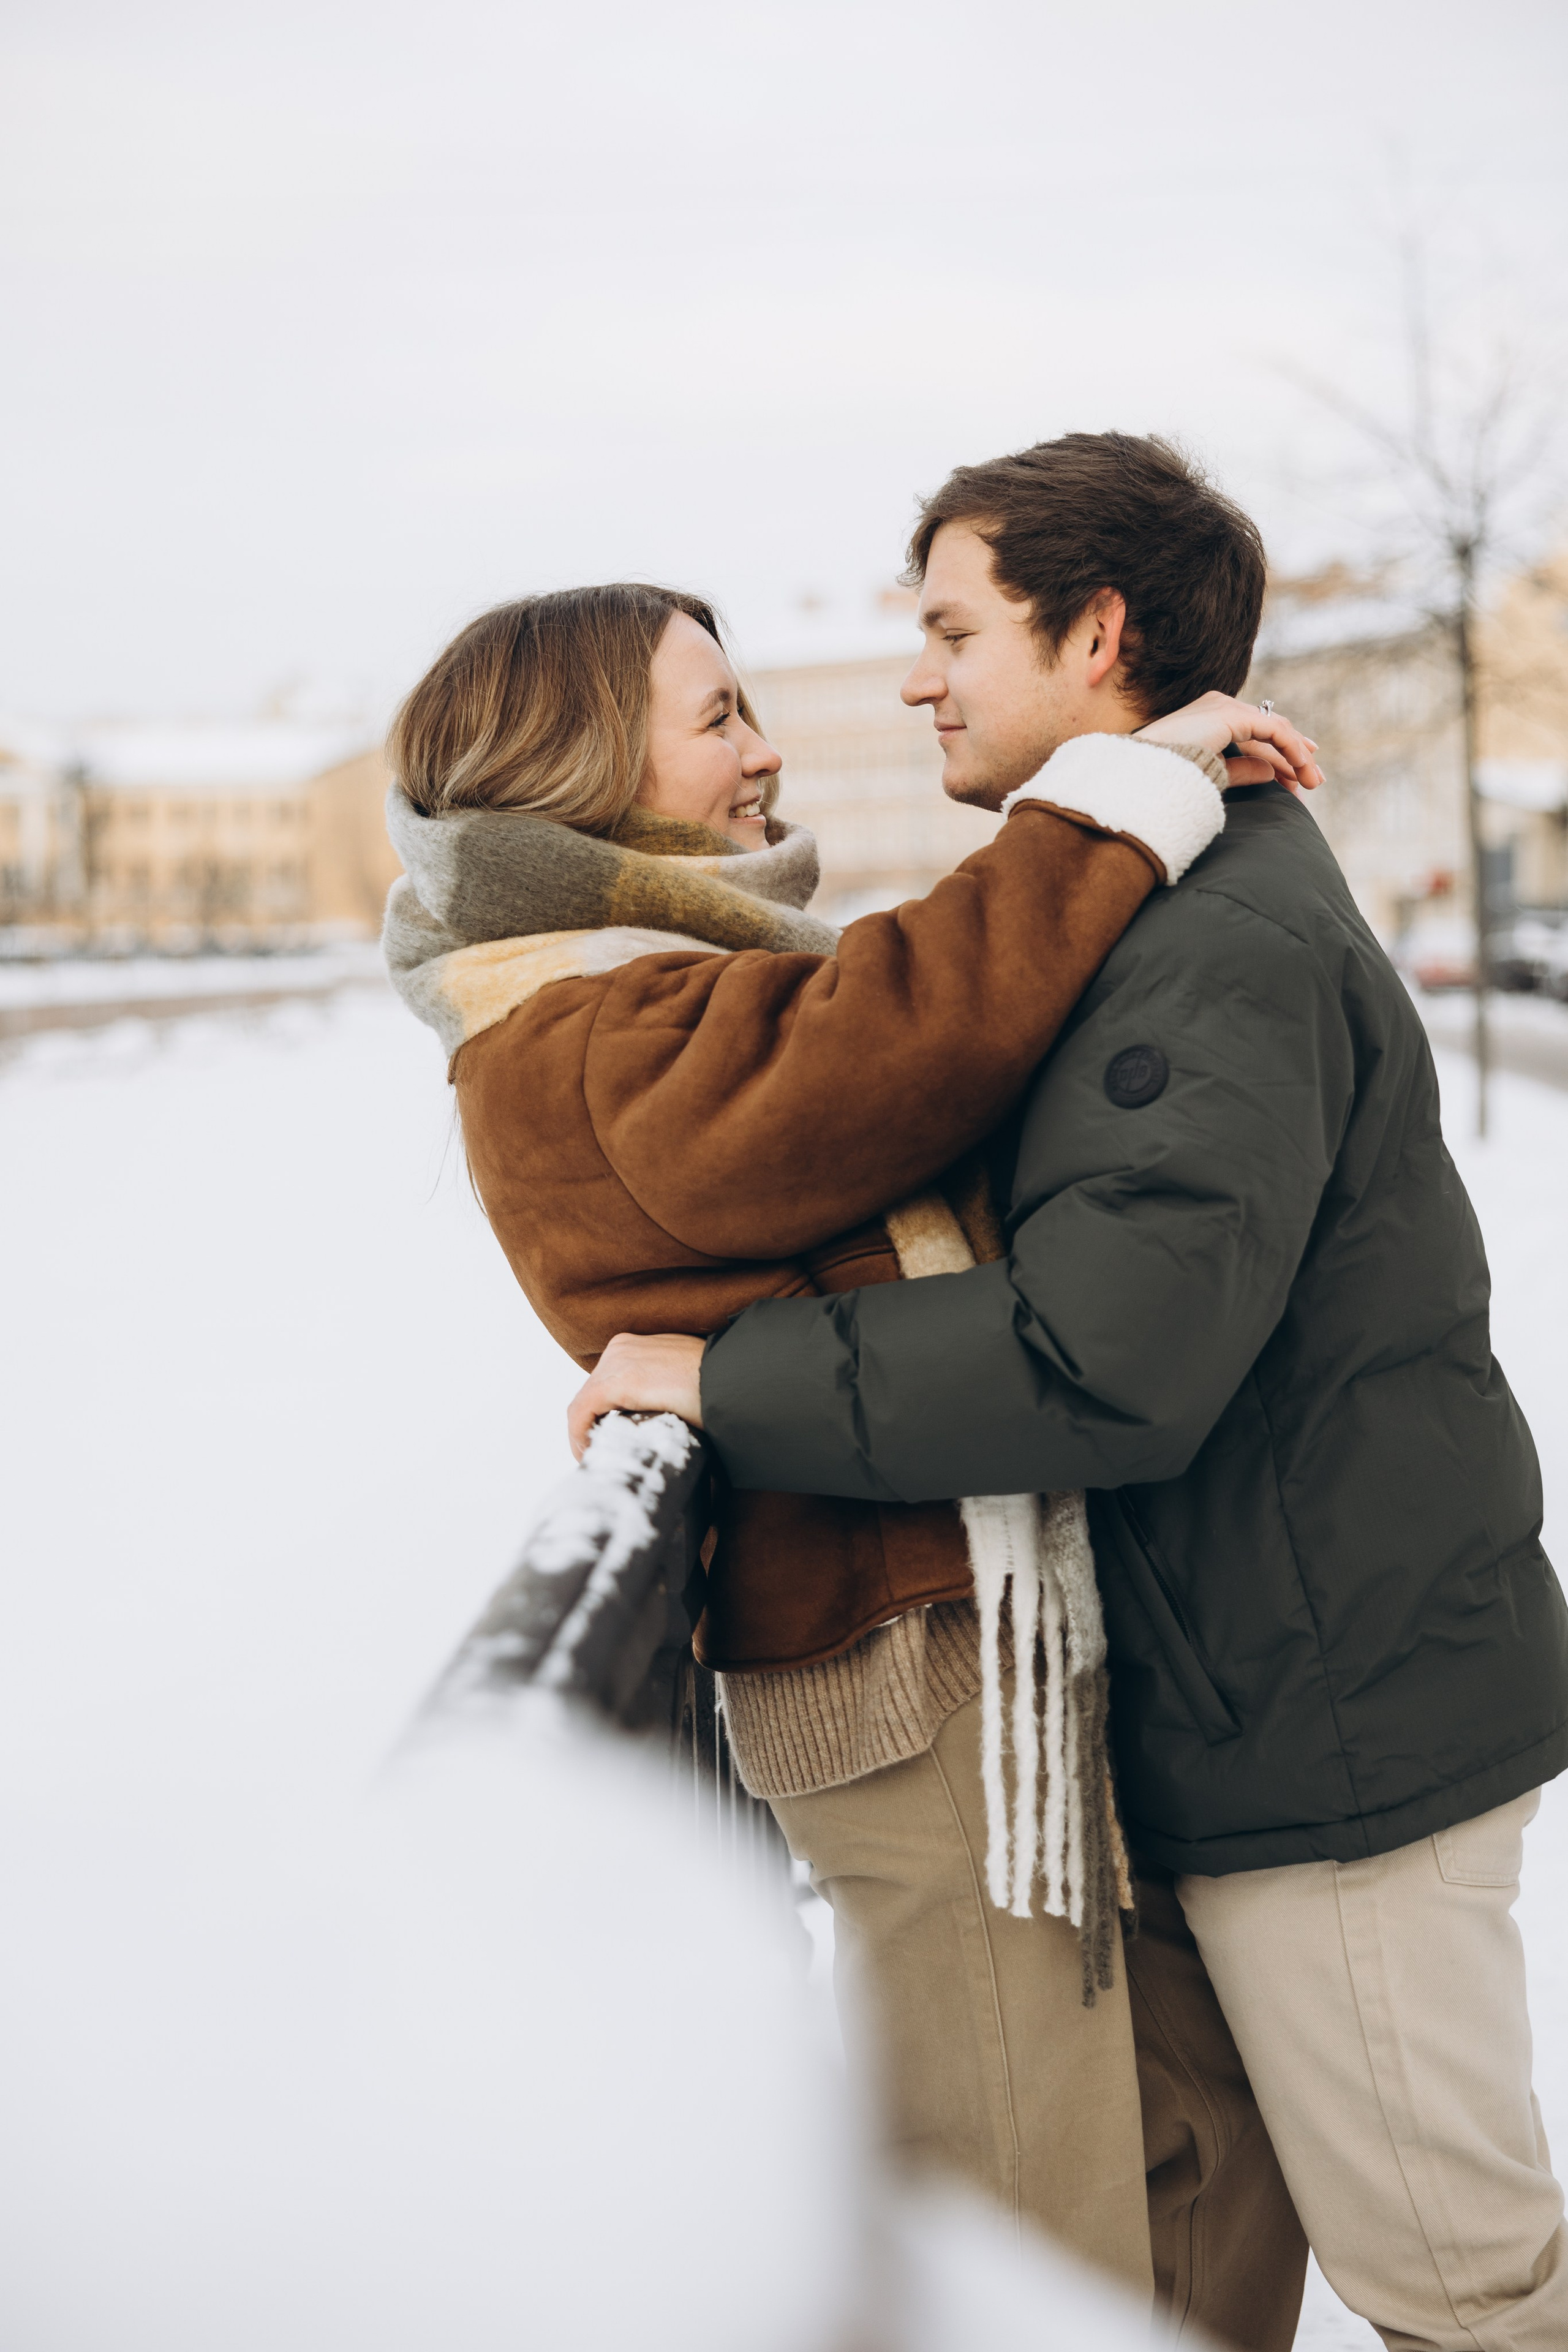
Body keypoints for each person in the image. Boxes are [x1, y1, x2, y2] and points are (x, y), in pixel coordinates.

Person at [573, 433, 1568, 2352]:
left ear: (1097, 634)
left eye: (951, 629)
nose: (915, 677)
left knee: (1473, 2290)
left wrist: (726, 1376)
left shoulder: (1211, 952)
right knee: (1262, 2264)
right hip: (1273, 1701)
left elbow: (1103, 1361)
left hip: (1336, 1738)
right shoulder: (1155, 906)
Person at [382, 564, 1319, 2346]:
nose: (765, 752)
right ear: (584, 769)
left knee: (1203, 2135)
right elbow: (904, 1035)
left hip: (998, 1637)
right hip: (898, 1676)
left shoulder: (668, 980)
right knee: (1029, 2207)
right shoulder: (572, 1033)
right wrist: (1114, 795)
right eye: (718, 715)